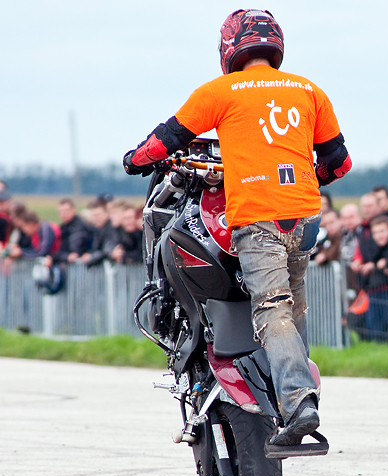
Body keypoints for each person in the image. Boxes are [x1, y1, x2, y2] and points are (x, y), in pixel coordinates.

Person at [122, 9, 351, 451]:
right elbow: (339, 162)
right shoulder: (309, 91)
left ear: (230, 48)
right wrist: (306, 177)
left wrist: (135, 160)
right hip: (304, 218)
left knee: (272, 309)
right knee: (293, 307)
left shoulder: (220, 91)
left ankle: (299, 403)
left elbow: (164, 141)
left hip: (257, 218)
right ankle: (292, 392)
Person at [361, 215, 388, 343]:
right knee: (374, 326)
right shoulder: (371, 244)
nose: (379, 236)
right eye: (375, 233)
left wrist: (381, 264)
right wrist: (378, 264)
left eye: (382, 231)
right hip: (374, 290)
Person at [55, 198, 93, 264]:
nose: (63, 214)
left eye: (66, 210)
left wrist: (66, 256)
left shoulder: (80, 227)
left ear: (74, 210)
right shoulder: (62, 228)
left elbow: (76, 249)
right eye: (61, 211)